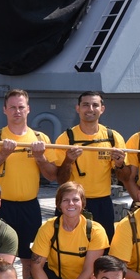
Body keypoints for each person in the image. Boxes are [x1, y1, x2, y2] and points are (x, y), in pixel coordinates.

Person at [0, 89, 58, 279]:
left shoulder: (40, 139)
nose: (17, 111)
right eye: (12, 107)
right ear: (4, 110)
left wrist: (41, 157)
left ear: (28, 109)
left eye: (21, 107)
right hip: (1, 208)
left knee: (29, 258)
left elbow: (52, 176)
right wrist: (3, 154)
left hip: (29, 207)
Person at [23, 182, 109, 279]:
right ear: (59, 205)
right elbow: (36, 266)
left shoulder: (95, 231)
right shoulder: (48, 228)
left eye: (75, 200)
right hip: (57, 277)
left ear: (83, 203)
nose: (71, 204)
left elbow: (89, 270)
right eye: (66, 200)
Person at [53, 92, 126, 240]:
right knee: (67, 244)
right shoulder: (66, 138)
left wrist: (120, 164)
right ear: (78, 108)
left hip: (102, 203)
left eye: (95, 105)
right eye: (85, 105)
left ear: (102, 109)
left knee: (104, 248)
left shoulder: (113, 138)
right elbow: (60, 179)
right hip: (73, 201)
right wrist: (68, 161)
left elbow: (125, 177)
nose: (90, 109)